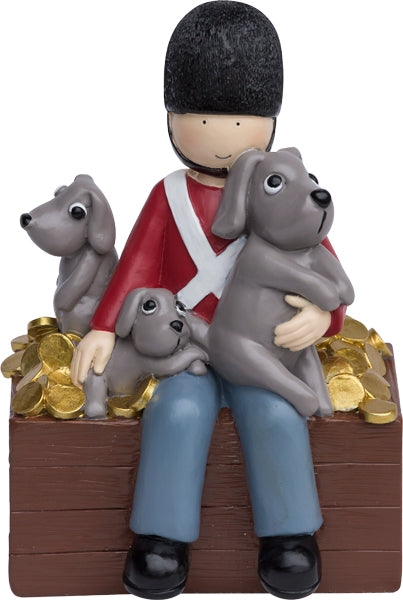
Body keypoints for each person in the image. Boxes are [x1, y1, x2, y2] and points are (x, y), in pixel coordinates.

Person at [71, 2, 346, 598]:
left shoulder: (282, 193)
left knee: (276, 414)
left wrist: (325, 317)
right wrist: (104, 326)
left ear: (269, 121)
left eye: (242, 120)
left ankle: (290, 538)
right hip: (182, 349)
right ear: (173, 118)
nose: (223, 136)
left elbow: (320, 262)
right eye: (202, 119)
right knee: (178, 413)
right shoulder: (168, 195)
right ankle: (161, 540)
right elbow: (137, 265)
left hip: (262, 353)